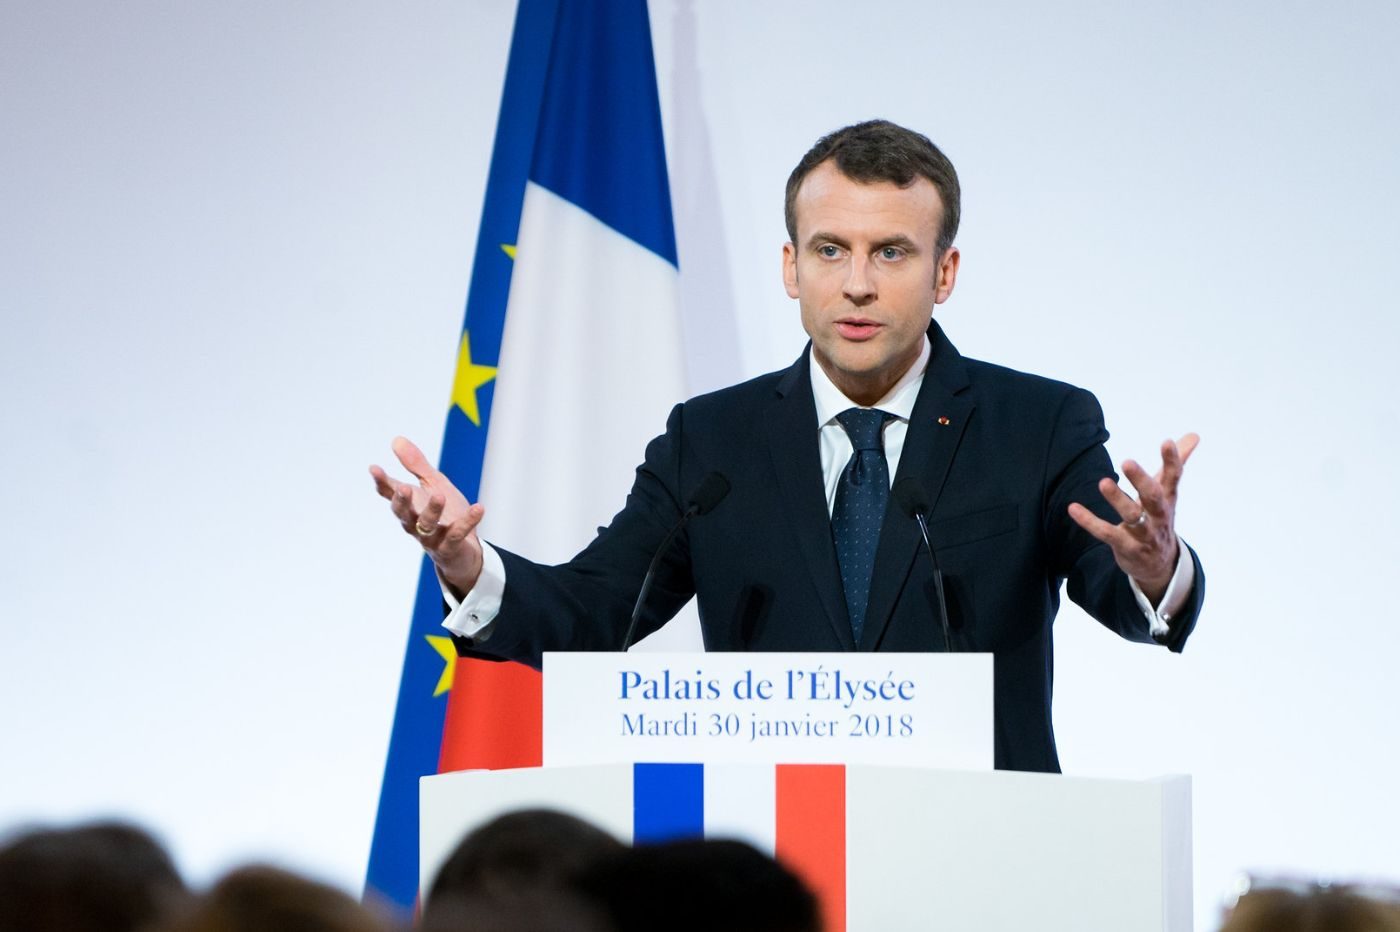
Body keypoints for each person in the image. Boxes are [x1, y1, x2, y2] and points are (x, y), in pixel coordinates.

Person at [371, 119, 1204, 772]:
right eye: (830, 249)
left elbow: (1118, 584)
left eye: (892, 252)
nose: (857, 283)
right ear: (790, 265)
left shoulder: (1038, 424)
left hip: (982, 864)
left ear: (945, 272)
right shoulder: (713, 442)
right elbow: (594, 614)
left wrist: (1156, 568)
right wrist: (467, 568)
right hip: (772, 867)